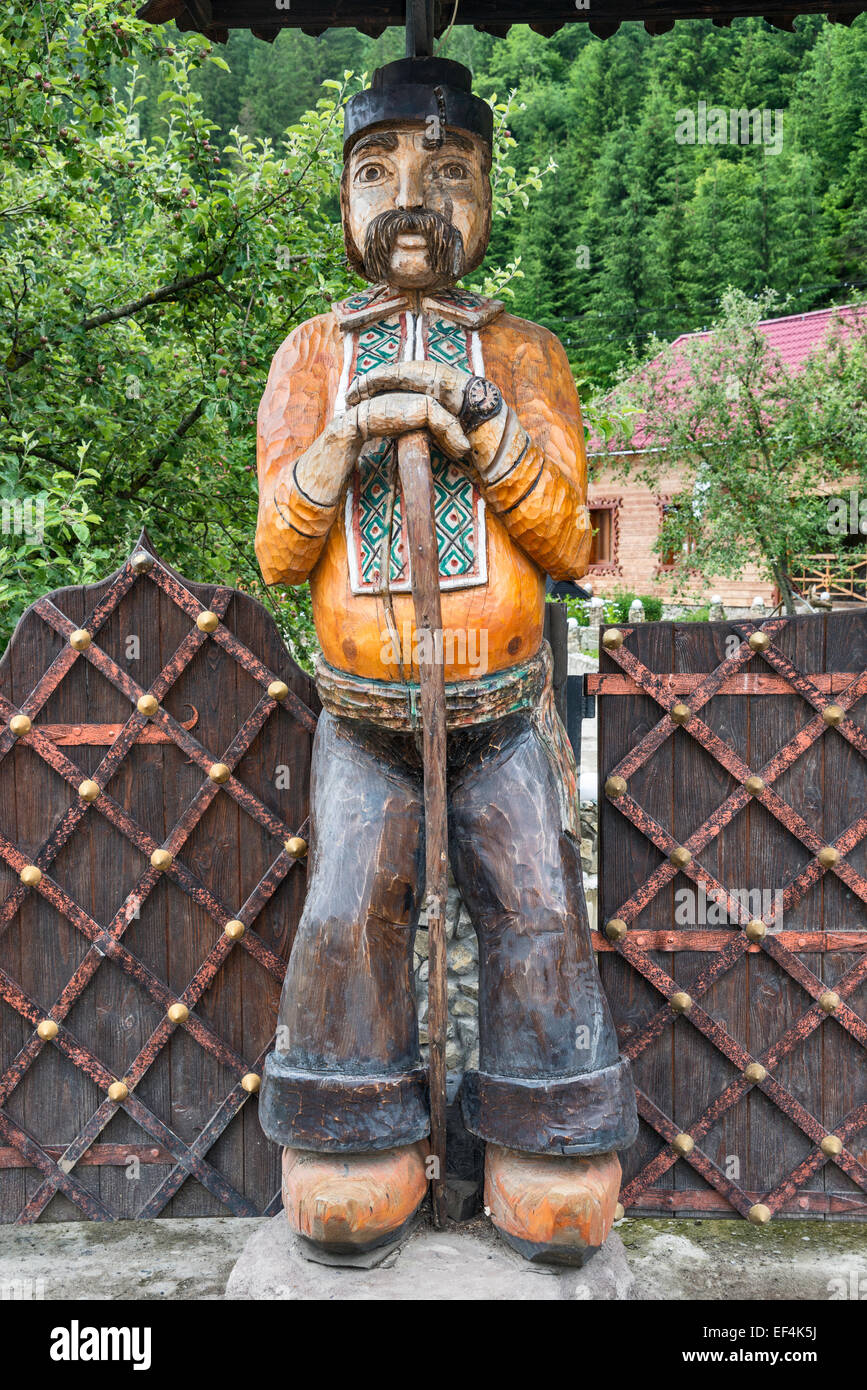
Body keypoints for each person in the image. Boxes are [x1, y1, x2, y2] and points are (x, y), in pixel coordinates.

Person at [255, 57, 637, 1265]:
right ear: (342, 197)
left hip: (503, 710)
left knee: (535, 904)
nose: (413, 197)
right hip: (363, 713)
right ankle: (350, 1122)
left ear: (488, 194)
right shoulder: (311, 352)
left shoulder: (527, 350)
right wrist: (350, 433)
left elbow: (572, 535)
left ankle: (552, 1128)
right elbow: (277, 544)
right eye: (378, 171)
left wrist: (481, 419)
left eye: (450, 171)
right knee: (347, 908)